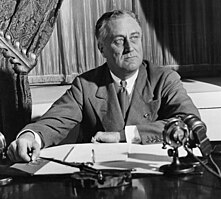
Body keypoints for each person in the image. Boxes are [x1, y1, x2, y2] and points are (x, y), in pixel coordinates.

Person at [7, 9, 200, 162]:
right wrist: (30, 137)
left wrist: (123, 136)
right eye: (119, 40)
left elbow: (189, 123)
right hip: (104, 183)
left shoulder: (165, 79)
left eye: (134, 37)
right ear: (102, 48)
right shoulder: (85, 86)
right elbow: (54, 122)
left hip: (155, 177)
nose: (129, 47)